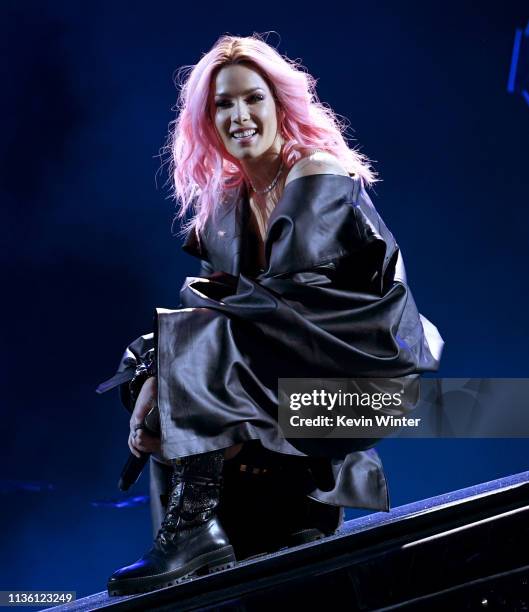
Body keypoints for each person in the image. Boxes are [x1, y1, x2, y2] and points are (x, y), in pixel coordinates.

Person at [100, 34, 444, 596]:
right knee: (153, 356)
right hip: (283, 384)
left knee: (184, 351)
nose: (239, 115)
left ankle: (192, 530)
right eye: (223, 104)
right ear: (206, 121)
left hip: (357, 382)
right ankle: (195, 532)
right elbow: (229, 325)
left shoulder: (318, 175)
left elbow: (286, 311)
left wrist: (173, 371)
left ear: (280, 103)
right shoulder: (225, 208)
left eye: (252, 98)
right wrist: (151, 378)